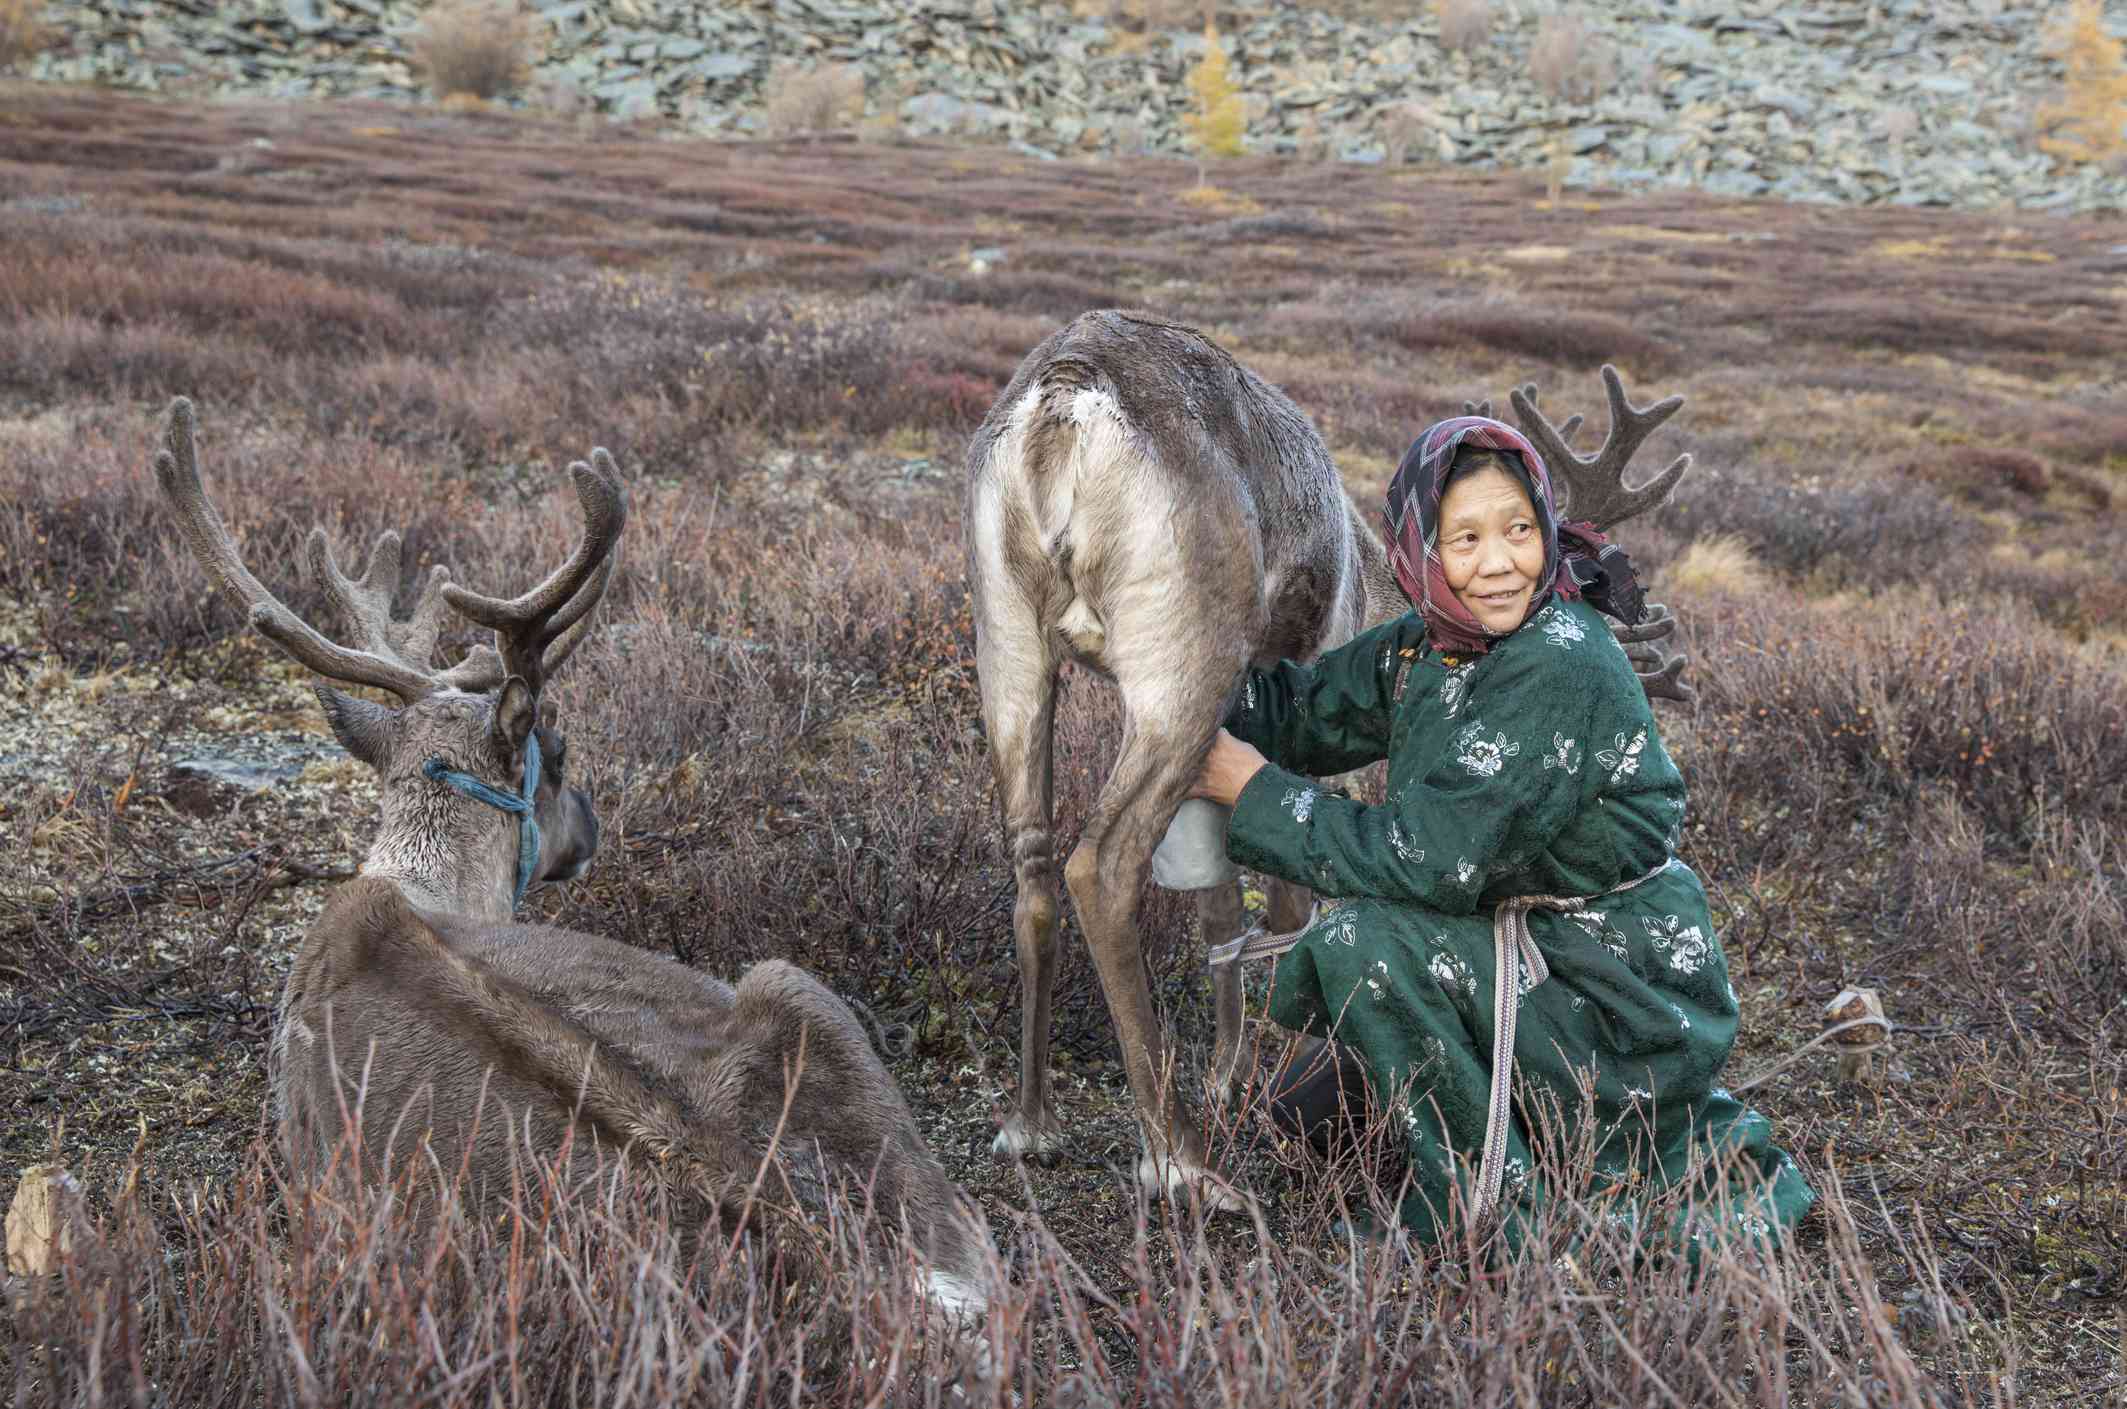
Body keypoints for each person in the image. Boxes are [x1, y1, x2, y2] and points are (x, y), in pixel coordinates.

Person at [1190, 414, 1815, 1257]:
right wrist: (1177, 678)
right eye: (1466, 538)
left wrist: (1247, 787)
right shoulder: (1431, 646)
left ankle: (1486, 1215)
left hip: (1616, 991)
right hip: (1527, 949)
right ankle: (1504, 1128)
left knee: (1358, 945)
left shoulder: (1556, 659)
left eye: (1519, 530)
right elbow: (1303, 710)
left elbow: (1426, 860)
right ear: (1422, 551)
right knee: (1303, 1114)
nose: (1497, 562)